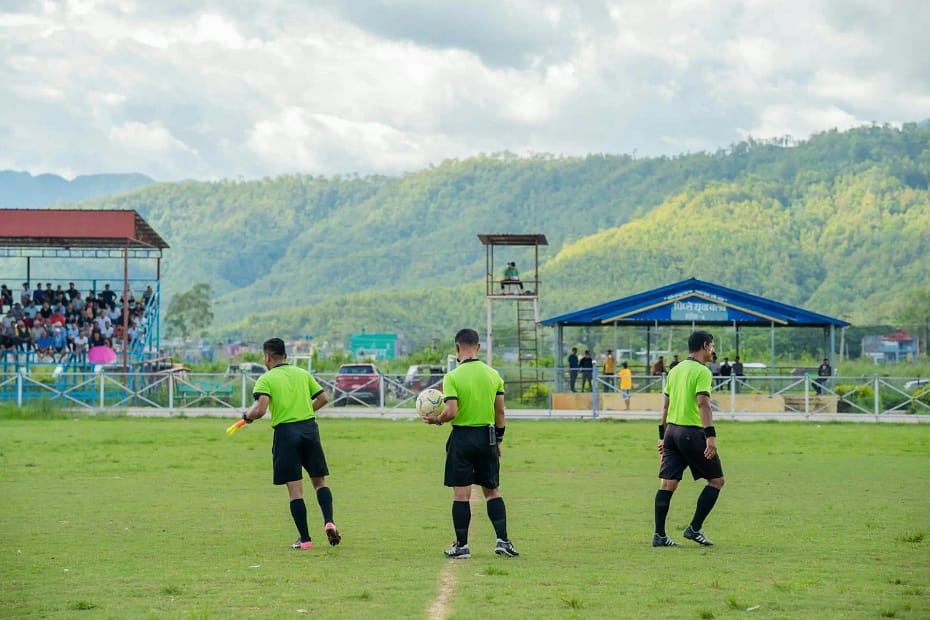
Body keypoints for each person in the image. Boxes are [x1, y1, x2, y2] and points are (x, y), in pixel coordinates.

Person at [422, 328, 518, 559]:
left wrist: (437, 420)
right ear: (478, 347)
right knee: (492, 491)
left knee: (461, 495)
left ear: (457, 348)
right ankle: (503, 540)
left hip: (462, 438)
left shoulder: (452, 377)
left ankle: (462, 546)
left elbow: (451, 411)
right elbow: (500, 412)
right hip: (487, 437)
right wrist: (499, 440)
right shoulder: (493, 375)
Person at [240, 337, 341, 550]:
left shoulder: (266, 380)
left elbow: (260, 410)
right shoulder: (302, 374)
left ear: (267, 357)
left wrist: (247, 415)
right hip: (308, 429)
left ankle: (305, 540)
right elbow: (324, 398)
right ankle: (329, 521)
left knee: (296, 491)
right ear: (285, 355)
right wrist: (304, 411)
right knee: (319, 482)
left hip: (286, 434)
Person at [653, 330, 725, 548]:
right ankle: (694, 528)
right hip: (691, 433)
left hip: (672, 433)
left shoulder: (675, 370)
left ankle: (660, 535)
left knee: (668, 483)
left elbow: (665, 406)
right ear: (705, 346)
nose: (713, 351)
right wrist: (710, 436)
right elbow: (703, 403)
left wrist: (662, 437)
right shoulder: (701, 372)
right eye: (712, 346)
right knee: (716, 480)